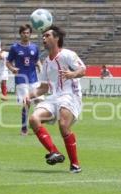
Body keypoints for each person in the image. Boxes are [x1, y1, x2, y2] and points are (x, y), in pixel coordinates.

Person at [24, 25, 86, 173]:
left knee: (63, 125)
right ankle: (54, 152)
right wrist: (29, 95)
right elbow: (44, 88)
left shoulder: (67, 55)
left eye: (47, 36)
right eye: (43, 37)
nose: (44, 39)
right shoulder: (46, 62)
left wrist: (73, 74)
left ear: (57, 38)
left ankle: (75, 165)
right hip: (54, 97)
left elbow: (83, 70)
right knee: (33, 119)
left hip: (71, 94)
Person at [6, 24, 42, 135]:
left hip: (33, 79)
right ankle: (24, 128)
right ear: (20, 34)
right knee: (26, 103)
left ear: (30, 34)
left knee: (40, 102)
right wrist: (12, 69)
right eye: (23, 33)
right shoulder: (15, 48)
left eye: (27, 33)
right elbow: (8, 62)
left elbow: (37, 60)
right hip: (21, 79)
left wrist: (40, 66)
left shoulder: (35, 47)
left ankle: (36, 125)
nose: (25, 35)